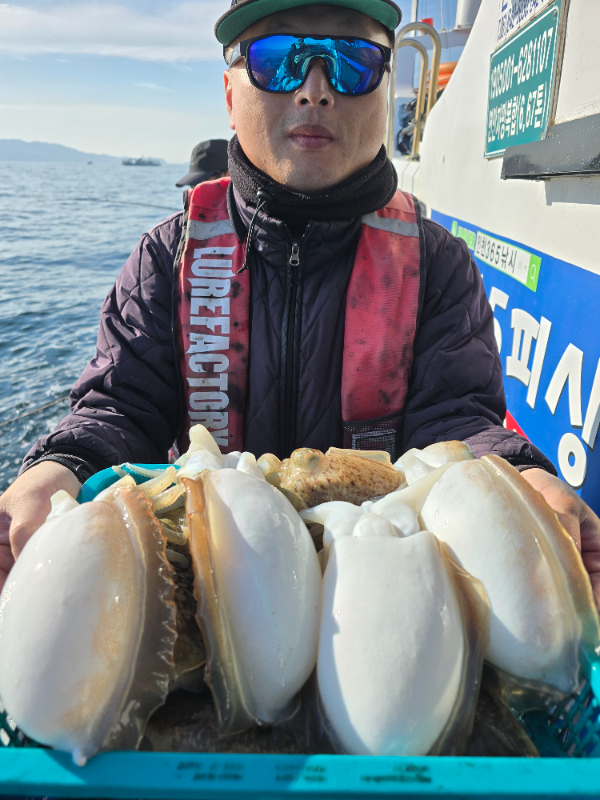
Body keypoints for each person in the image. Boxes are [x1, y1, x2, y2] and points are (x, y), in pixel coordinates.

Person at [1, 0, 600, 608]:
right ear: (230, 95)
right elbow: (122, 408)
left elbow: (457, 423)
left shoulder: (439, 265)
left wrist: (522, 480)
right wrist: (60, 468)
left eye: (354, 61)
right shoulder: (165, 257)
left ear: (385, 90)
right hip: (206, 581)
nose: (315, 89)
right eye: (277, 59)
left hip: (381, 593)